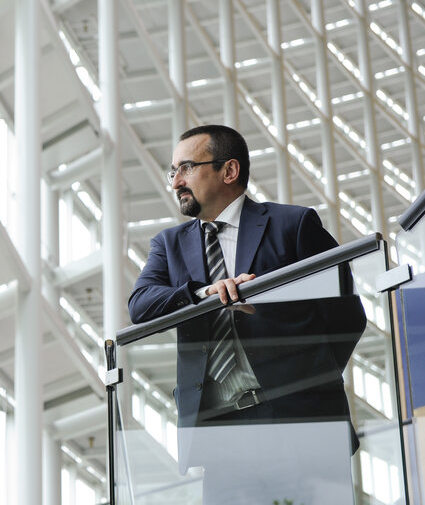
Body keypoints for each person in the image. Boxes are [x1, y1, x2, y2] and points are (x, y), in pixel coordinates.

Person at [127, 125, 365, 454]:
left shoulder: (293, 225)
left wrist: (305, 381)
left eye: (187, 168)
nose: (177, 181)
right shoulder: (169, 245)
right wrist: (202, 295)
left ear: (229, 170)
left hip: (302, 421)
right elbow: (139, 305)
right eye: (173, 171)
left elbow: (346, 314)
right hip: (217, 433)